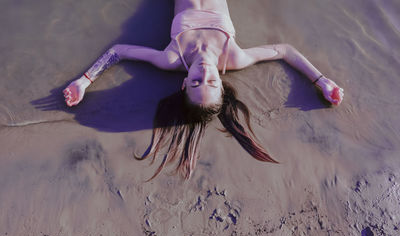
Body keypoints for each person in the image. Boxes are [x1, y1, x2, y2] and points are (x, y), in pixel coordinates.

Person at [63, 0, 344, 179]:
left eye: (196, 82)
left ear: (184, 83)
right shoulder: (234, 57)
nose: (205, 73)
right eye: (212, 83)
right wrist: (321, 81)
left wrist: (85, 81)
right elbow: (284, 51)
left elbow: (119, 51)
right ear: (222, 84)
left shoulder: (172, 58)